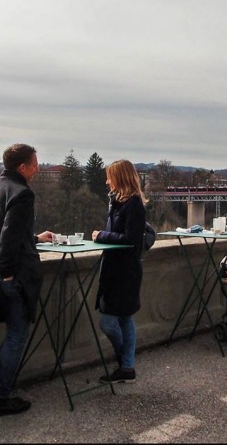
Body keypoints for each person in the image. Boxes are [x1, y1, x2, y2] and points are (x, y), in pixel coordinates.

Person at [0, 143, 55, 417]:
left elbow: (3, 234)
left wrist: (35, 238)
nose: (38, 168)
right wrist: (10, 276)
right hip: (15, 277)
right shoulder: (22, 194)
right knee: (16, 338)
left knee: (13, 336)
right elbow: (8, 241)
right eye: (35, 163)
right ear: (22, 167)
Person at [92, 159, 147, 384]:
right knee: (125, 318)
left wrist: (100, 235)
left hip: (124, 272)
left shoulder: (133, 203)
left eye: (109, 177)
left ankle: (125, 360)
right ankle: (127, 366)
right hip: (119, 270)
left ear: (120, 178)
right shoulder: (119, 201)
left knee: (109, 321)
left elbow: (131, 239)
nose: (106, 181)